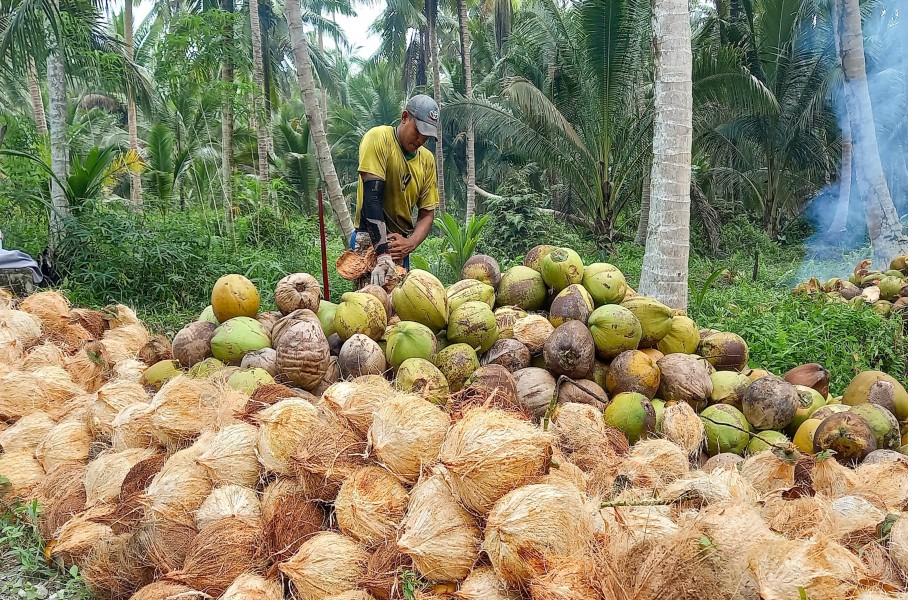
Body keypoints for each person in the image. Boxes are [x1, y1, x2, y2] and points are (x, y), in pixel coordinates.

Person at [351, 94, 441, 288]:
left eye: (427, 135)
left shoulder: (427, 160)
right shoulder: (378, 138)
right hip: (370, 236)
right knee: (370, 307)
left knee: (398, 312)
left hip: (400, 243)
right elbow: (372, 198)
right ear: (405, 117)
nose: (421, 139)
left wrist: (410, 244)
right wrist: (382, 254)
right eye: (418, 131)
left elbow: (427, 214)